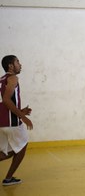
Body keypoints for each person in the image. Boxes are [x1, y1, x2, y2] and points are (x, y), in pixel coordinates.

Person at [0, 55, 33, 186]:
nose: (20, 64)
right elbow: (7, 100)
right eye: (17, 62)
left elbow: (5, 102)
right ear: (10, 66)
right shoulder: (13, 78)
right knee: (21, 147)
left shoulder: (2, 79)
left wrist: (21, 111)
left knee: (5, 152)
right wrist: (23, 117)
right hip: (11, 121)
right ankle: (8, 178)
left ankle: (8, 178)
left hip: (2, 120)